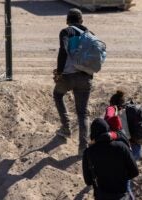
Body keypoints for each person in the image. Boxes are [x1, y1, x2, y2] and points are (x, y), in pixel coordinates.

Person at [53, 8, 93, 155]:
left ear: (67, 21)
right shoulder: (90, 34)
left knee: (58, 95)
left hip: (68, 76)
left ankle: (66, 127)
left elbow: (63, 51)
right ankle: (83, 147)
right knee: (83, 113)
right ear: (81, 21)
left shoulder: (66, 32)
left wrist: (59, 72)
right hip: (85, 78)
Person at [82, 118, 139, 200]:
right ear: (108, 130)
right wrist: (121, 178)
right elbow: (134, 172)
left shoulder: (88, 153)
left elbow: (88, 181)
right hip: (121, 195)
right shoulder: (121, 146)